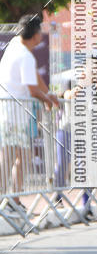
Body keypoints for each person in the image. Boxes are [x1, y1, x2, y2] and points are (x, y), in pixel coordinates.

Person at [0, 14, 59, 214]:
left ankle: (12, 199)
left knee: (17, 156)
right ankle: (9, 198)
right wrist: (49, 100)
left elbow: (34, 78)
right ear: (35, 34)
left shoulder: (15, 46)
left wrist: (48, 94)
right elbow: (33, 89)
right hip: (15, 113)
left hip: (11, 111)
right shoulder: (24, 55)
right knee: (13, 156)